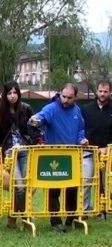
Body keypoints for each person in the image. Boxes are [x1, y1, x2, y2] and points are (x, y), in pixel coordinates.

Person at [29, 83, 89, 232]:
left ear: (75, 97)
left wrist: (82, 139)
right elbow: (41, 117)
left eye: (69, 97)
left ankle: (71, 217)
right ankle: (55, 220)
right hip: (54, 155)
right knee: (53, 189)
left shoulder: (77, 111)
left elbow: (80, 128)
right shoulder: (52, 108)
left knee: (72, 188)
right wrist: (35, 120)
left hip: (72, 156)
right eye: (63, 96)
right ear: (59, 94)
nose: (65, 100)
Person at [0, 81, 41, 229]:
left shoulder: (26, 108)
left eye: (15, 93)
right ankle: (26, 217)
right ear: (5, 95)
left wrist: (35, 130)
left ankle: (12, 217)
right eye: (9, 93)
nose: (12, 96)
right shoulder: (0, 111)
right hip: (9, 152)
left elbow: (35, 131)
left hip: (25, 150)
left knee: (28, 185)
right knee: (20, 186)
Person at [81, 79, 112, 220]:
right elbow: (81, 129)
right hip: (89, 151)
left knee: (105, 183)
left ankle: (103, 210)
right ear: (97, 91)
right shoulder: (86, 109)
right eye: (100, 91)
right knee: (87, 180)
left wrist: (108, 148)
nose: (103, 94)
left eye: (106, 91)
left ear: (110, 93)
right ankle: (85, 210)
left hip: (108, 152)